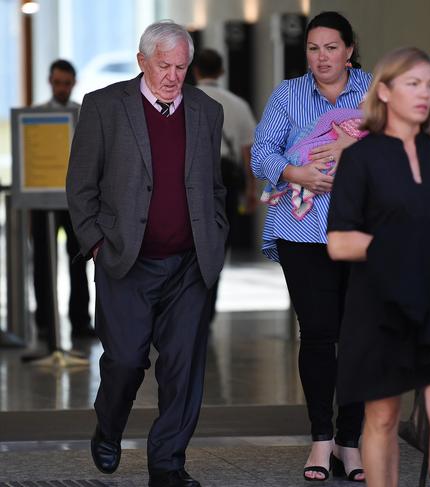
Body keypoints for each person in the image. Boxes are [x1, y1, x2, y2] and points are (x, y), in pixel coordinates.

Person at [66, 20, 227, 487]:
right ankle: (109, 425)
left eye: (181, 67)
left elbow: (213, 187)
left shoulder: (206, 111)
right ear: (142, 61)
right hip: (125, 261)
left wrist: (214, 234)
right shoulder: (103, 107)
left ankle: (168, 466)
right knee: (125, 360)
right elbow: (80, 187)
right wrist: (96, 242)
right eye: (164, 66)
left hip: (188, 265)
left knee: (183, 367)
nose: (173, 76)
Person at [327, 46, 430, 487]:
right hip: (380, 303)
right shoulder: (361, 158)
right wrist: (409, 243)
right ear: (383, 91)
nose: (425, 94)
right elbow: (339, 242)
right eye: (413, 84)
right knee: (382, 418)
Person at [251, 11, 371, 482]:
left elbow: (402, 146)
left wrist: (350, 151)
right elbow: (262, 152)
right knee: (319, 333)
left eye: (331, 48)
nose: (322, 58)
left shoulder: (376, 90)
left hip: (361, 230)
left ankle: (350, 441)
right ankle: (321, 437)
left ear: (349, 49)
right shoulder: (288, 93)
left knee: (359, 335)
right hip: (300, 231)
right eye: (314, 48)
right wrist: (296, 172)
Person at [193, 48, 257, 322]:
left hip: (192, 179)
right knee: (219, 244)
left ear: (195, 71)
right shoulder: (237, 104)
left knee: (190, 242)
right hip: (226, 180)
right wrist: (251, 189)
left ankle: (188, 304)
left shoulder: (184, 99)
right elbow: (248, 152)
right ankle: (209, 307)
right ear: (221, 71)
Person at [32, 59, 93, 341]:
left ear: (73, 83)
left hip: (76, 201)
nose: (62, 88)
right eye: (57, 83)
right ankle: (45, 322)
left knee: (79, 261)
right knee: (43, 262)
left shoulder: (85, 116)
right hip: (44, 199)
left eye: (66, 83)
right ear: (50, 82)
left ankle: (81, 321)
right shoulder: (36, 117)